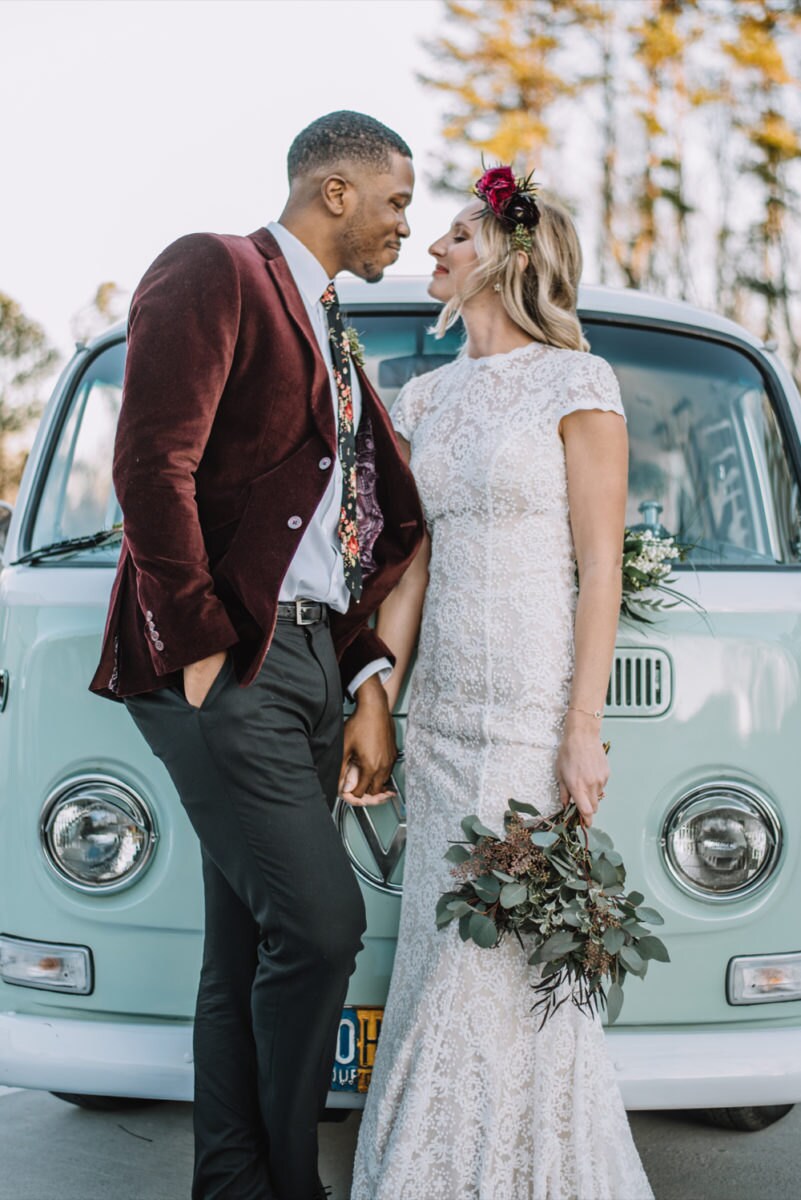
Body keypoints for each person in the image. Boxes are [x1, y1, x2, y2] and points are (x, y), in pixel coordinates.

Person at [89, 111, 424, 1200]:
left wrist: (364, 667)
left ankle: (232, 1185)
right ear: (335, 191)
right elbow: (151, 463)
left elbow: (344, 533)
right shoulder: (215, 268)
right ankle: (291, 1184)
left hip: (312, 666)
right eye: (394, 202)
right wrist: (199, 647)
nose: (404, 229)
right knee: (324, 926)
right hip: (232, 664)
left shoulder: (334, 328)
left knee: (247, 948)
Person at [350, 168, 654, 1199]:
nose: (432, 252)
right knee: (440, 958)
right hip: (438, 721)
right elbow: (413, 565)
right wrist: (378, 691)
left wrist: (583, 728)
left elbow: (599, 566)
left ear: (510, 259)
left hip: (530, 711)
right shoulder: (424, 395)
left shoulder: (580, 383)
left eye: (455, 238)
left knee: (502, 963)